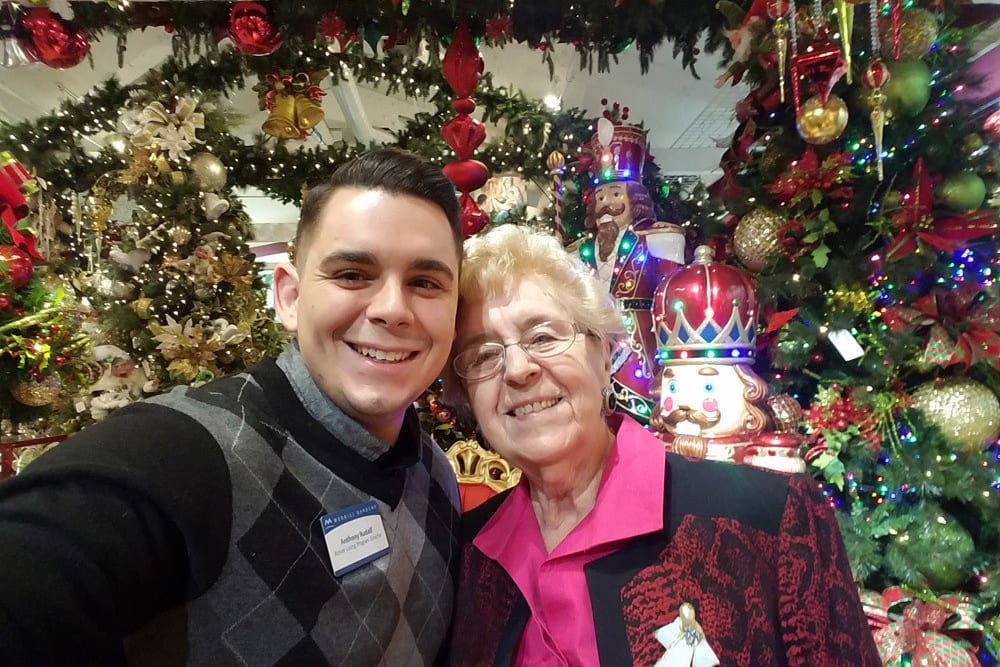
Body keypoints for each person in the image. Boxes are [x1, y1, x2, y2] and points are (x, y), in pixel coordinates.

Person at [0, 147, 464, 666]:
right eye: (353, 274)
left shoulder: (437, 475)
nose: (392, 310)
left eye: (425, 282)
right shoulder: (187, 453)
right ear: (288, 297)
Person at [444, 224, 881, 667]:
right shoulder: (465, 551)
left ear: (602, 356)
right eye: (483, 355)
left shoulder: (772, 520)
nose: (517, 370)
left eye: (543, 336)